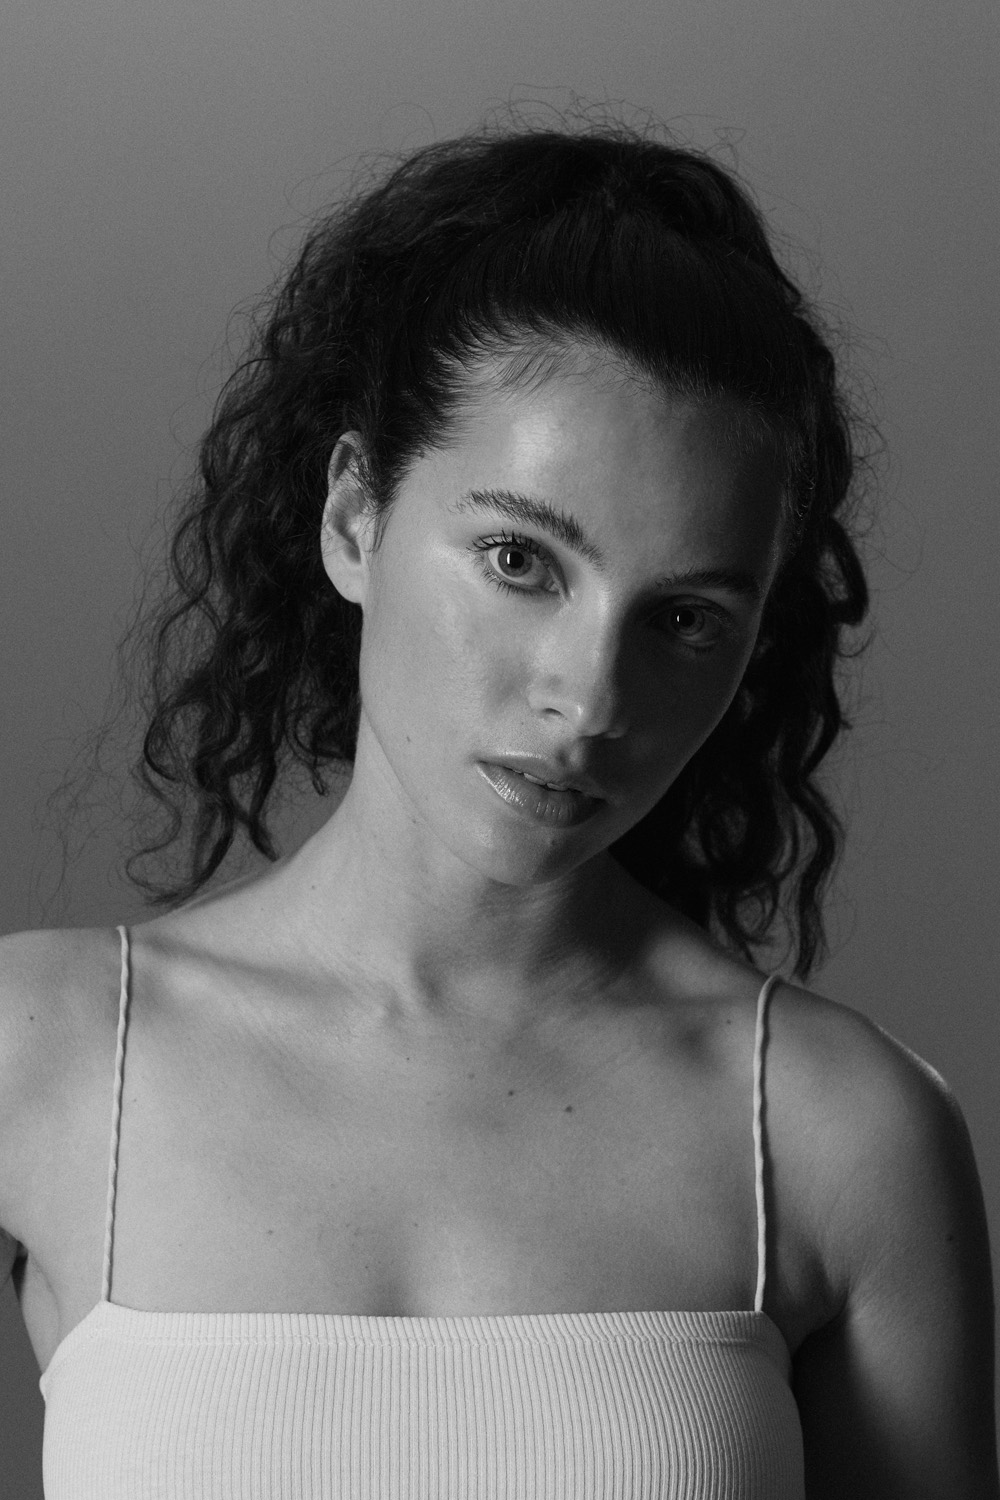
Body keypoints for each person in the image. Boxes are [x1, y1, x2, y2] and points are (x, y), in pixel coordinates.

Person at [0, 115, 995, 1499]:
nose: (589, 697)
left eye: (686, 619)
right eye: (521, 560)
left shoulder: (840, 1135)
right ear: (354, 520)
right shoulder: (39, 1056)